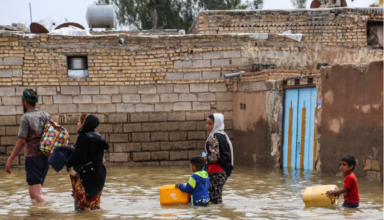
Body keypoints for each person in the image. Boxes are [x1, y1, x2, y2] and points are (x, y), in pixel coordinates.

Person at [5, 89, 50, 202]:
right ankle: (37, 215)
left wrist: (10, 160)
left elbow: (21, 141)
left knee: (35, 194)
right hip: (45, 158)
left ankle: (47, 211)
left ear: (24, 102)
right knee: (37, 192)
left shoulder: (26, 118)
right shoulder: (46, 115)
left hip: (33, 158)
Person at [67, 114, 109, 211]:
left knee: (81, 210)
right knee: (95, 207)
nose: (77, 124)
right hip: (99, 176)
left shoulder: (83, 138)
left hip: (86, 178)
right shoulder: (98, 137)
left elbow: (79, 159)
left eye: (79, 122)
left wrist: (71, 166)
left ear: (84, 124)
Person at [204, 113, 234, 204]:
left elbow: (215, 156)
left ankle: (217, 216)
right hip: (223, 169)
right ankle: (220, 214)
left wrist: (205, 159)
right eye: (207, 123)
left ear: (216, 124)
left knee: (215, 198)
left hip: (217, 170)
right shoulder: (222, 135)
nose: (207, 126)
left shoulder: (214, 137)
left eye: (210, 124)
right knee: (215, 196)